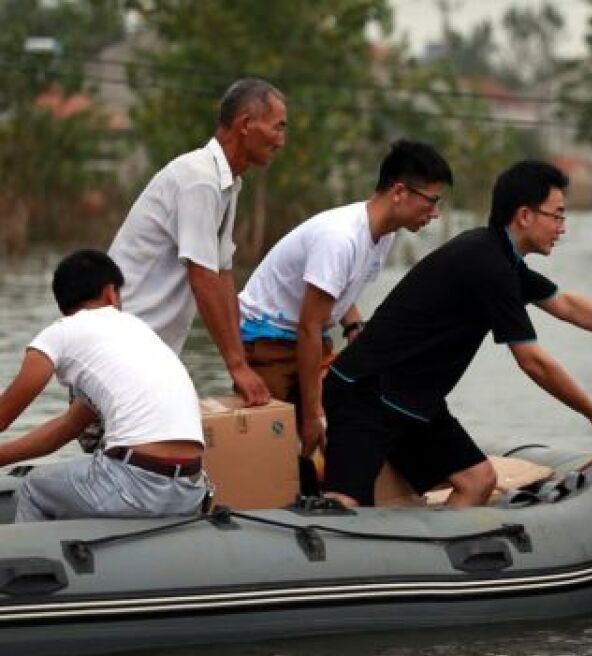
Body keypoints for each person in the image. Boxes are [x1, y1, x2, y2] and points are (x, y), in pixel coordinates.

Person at [323, 160, 592, 508]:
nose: (562, 228)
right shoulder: (487, 263)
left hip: (412, 399)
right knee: (344, 503)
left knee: (477, 480)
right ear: (525, 215)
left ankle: (438, 561)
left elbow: (566, 305)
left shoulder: (501, 258)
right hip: (365, 391)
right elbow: (533, 362)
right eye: (557, 215)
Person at [237, 139, 454, 457]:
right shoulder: (340, 238)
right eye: (431, 202)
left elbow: (336, 293)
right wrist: (313, 416)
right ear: (399, 193)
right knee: (283, 440)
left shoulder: (383, 233)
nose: (434, 214)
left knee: (359, 401)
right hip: (266, 339)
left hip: (308, 336)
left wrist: (353, 327)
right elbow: (308, 328)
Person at [108, 77, 288, 406]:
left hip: (148, 354)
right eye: (278, 127)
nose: (281, 141)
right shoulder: (199, 180)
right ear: (246, 124)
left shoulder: (227, 185)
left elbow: (222, 278)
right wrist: (236, 367)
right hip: (123, 350)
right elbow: (203, 280)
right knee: (141, 453)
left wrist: (242, 364)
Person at [0, 250, 207, 522]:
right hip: (191, 487)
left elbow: (6, 412)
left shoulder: (60, 333)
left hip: (135, 483)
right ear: (111, 293)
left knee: (34, 487)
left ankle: (25, 561)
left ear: (62, 303)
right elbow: (67, 427)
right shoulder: (138, 332)